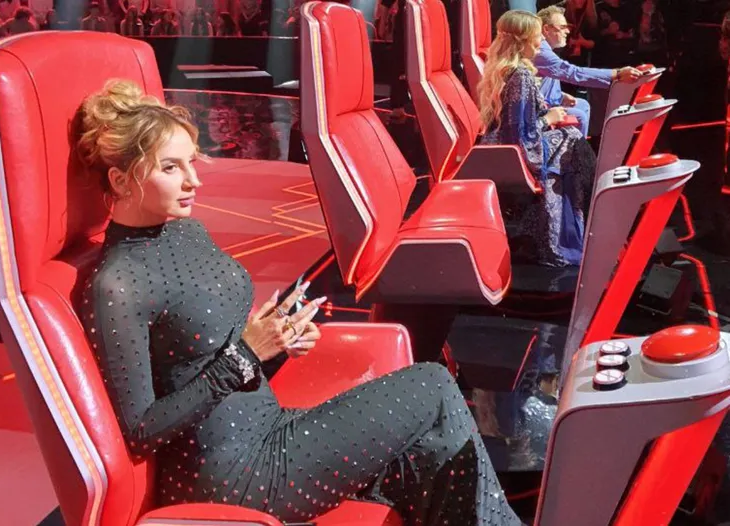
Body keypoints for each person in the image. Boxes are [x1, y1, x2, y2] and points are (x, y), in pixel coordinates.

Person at [75, 79, 523, 526]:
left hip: (268, 426)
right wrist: (247, 354)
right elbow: (141, 430)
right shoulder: (117, 283)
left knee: (427, 456)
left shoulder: (187, 230)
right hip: (228, 473)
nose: (193, 180)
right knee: (431, 385)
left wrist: (277, 340)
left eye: (192, 161)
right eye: (171, 168)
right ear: (120, 180)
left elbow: (209, 349)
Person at [479, 10, 596, 267]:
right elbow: (520, 134)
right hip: (513, 149)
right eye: (536, 37)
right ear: (522, 40)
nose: (540, 41)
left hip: (503, 142)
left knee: (573, 140)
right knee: (575, 147)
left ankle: (574, 224)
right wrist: (549, 118)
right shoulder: (520, 75)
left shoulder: (507, 68)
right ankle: (570, 231)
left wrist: (549, 112)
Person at [535, 5, 642, 137]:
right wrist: (616, 74)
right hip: (538, 111)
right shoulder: (540, 50)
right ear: (546, 29)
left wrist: (560, 95)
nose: (567, 31)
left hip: (546, 102)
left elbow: (546, 79)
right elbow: (572, 72)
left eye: (568, 27)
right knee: (579, 116)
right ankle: (578, 149)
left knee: (582, 104)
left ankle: (577, 146)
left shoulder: (546, 49)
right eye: (562, 27)